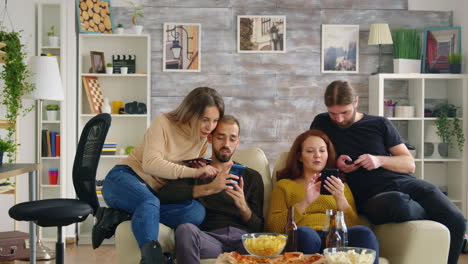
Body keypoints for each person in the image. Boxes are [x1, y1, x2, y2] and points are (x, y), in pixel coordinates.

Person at [310, 80, 466, 264]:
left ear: (356, 102)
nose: (339, 119)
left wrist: (378, 160)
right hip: (371, 197)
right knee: (397, 203)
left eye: (345, 112)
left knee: (457, 220)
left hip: (405, 183)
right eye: (333, 113)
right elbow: (311, 155)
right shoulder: (321, 123)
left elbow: (409, 164)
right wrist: (334, 162)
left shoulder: (379, 124)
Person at [96, 87, 224, 264]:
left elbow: (176, 174)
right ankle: (152, 258)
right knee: (149, 202)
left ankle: (117, 216)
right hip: (124, 178)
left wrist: (197, 169)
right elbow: (151, 164)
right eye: (205, 120)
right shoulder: (163, 123)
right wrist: (194, 171)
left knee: (196, 212)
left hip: (153, 194)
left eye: (215, 120)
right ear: (191, 113)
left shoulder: (201, 140)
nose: (210, 127)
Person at [158, 115, 264, 264]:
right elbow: (163, 195)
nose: (226, 144)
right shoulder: (196, 171)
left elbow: (259, 227)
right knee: (185, 229)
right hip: (208, 238)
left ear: (237, 142)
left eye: (232, 139)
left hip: (243, 239)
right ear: (210, 138)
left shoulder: (252, 177)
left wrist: (243, 206)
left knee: (261, 244)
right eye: (221, 137)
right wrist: (208, 187)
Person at [266, 129, 379, 263]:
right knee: (304, 233)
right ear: (299, 156)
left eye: (322, 150)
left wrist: (340, 198)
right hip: (305, 237)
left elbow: (351, 225)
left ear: (328, 154)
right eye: (310, 151)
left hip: (336, 239)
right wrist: (305, 202)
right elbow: (274, 227)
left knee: (364, 233)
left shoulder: (340, 185)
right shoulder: (284, 185)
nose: (317, 155)